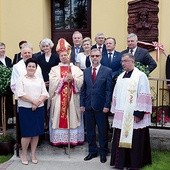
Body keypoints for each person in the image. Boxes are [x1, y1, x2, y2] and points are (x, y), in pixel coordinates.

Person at [110, 53, 152, 169]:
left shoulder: (140, 76)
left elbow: (144, 94)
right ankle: (121, 162)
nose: (123, 63)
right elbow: (116, 94)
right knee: (120, 138)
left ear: (132, 61)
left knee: (135, 139)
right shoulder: (121, 76)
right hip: (121, 113)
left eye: (126, 61)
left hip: (134, 114)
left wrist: (139, 113)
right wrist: (115, 109)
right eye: (122, 61)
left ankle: (133, 163)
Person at [48, 38, 84, 146]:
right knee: (60, 116)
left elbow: (81, 81)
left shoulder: (76, 69)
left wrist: (73, 79)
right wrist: (63, 80)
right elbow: (52, 81)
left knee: (72, 116)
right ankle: (59, 140)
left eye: (66, 55)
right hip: (59, 98)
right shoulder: (54, 69)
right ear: (59, 56)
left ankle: (72, 139)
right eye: (62, 55)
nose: (64, 57)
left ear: (69, 56)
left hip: (72, 98)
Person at [80, 48, 113, 163]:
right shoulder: (86, 71)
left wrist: (107, 105)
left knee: (103, 131)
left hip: (101, 107)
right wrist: (82, 104)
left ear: (101, 57)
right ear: (90, 57)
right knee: (90, 131)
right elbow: (83, 89)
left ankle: (103, 152)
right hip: (88, 106)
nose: (94, 58)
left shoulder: (107, 71)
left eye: (97, 56)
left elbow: (109, 90)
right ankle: (92, 151)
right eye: (92, 56)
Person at [15, 58, 49, 165]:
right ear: (26, 67)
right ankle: (24, 154)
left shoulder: (39, 79)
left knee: (36, 133)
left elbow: (45, 93)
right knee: (26, 134)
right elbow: (20, 94)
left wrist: (37, 102)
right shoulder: (21, 79)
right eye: (29, 66)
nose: (31, 68)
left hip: (38, 109)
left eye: (33, 66)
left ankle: (33, 154)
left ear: (36, 68)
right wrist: (33, 101)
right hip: (25, 109)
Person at [0, 42, 13, 128]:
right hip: (0, 87)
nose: (2, 50)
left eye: (3, 48)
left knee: (7, 105)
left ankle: (6, 123)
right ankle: (1, 124)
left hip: (8, 87)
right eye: (1, 48)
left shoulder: (8, 59)